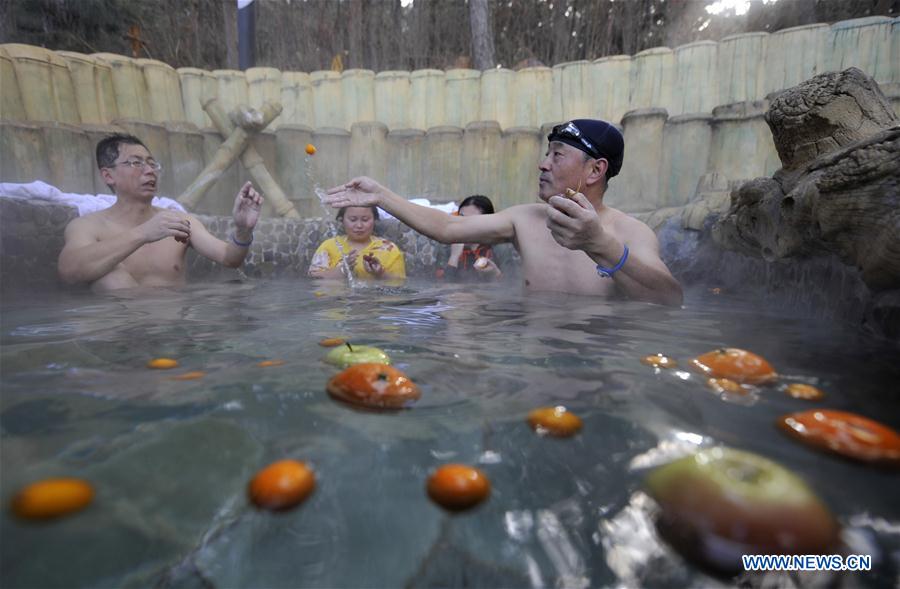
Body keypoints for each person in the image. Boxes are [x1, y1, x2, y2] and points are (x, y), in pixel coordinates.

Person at [325, 119, 683, 306]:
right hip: (527, 353)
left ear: (594, 170)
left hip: (596, 360)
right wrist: (381, 196)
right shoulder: (524, 219)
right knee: (462, 306)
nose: (542, 164)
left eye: (557, 155)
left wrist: (601, 245)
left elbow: (670, 300)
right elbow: (449, 228)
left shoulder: (630, 233)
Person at [58, 133, 263, 293]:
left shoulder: (179, 221)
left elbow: (230, 258)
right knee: (110, 277)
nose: (149, 171)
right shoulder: (87, 226)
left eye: (152, 163)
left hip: (176, 335)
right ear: (108, 175)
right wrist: (144, 233)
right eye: (136, 163)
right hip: (123, 336)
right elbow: (69, 271)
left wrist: (243, 230)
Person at [308, 205, 406, 281]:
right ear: (342, 220)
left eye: (365, 220)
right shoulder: (329, 246)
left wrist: (380, 273)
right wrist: (343, 270)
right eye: (353, 220)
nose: (359, 225)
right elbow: (313, 280)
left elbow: (400, 282)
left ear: (374, 220)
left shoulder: (388, 248)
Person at [441, 195, 502, 282]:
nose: (463, 225)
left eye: (471, 221)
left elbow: (513, 287)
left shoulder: (500, 248)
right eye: (461, 218)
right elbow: (440, 290)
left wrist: (495, 273)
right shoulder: (446, 247)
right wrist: (454, 257)